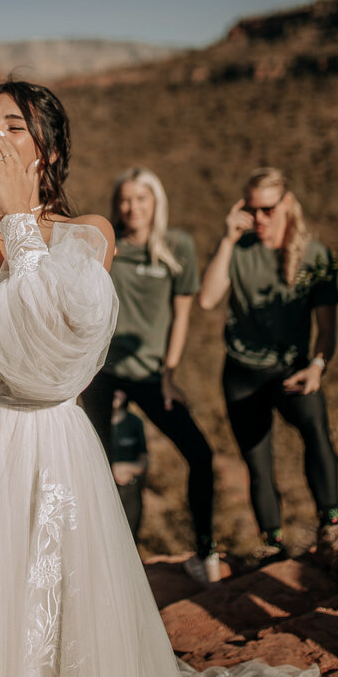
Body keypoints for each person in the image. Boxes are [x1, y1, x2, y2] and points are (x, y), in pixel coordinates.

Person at [0, 87, 338, 677]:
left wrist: (20, 220)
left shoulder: (82, 234)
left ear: (45, 152)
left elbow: (52, 357)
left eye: (12, 126)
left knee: (32, 629)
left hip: (35, 456)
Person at [199, 166, 338, 564]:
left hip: (292, 368)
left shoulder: (315, 254)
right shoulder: (240, 249)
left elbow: (327, 328)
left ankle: (331, 525)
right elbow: (207, 299)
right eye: (252, 210)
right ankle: (273, 542)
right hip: (242, 372)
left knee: (317, 431)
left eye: (268, 209)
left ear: (286, 204)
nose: (260, 219)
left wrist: (318, 365)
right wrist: (228, 239)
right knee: (257, 458)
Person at [83, 168, 218, 583]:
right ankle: (99, 565)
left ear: (155, 203)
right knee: (93, 465)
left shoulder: (176, 247)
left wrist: (169, 374)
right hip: (101, 372)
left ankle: (205, 552)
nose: (132, 207)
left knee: (200, 454)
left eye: (141, 199)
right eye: (125, 199)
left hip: (149, 374)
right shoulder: (108, 247)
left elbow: (182, 315)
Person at [110, 387, 148, 539]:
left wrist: (125, 469)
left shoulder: (134, 422)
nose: (116, 394)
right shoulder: (93, 420)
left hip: (130, 487)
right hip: (104, 486)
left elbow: (144, 462)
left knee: (129, 535)